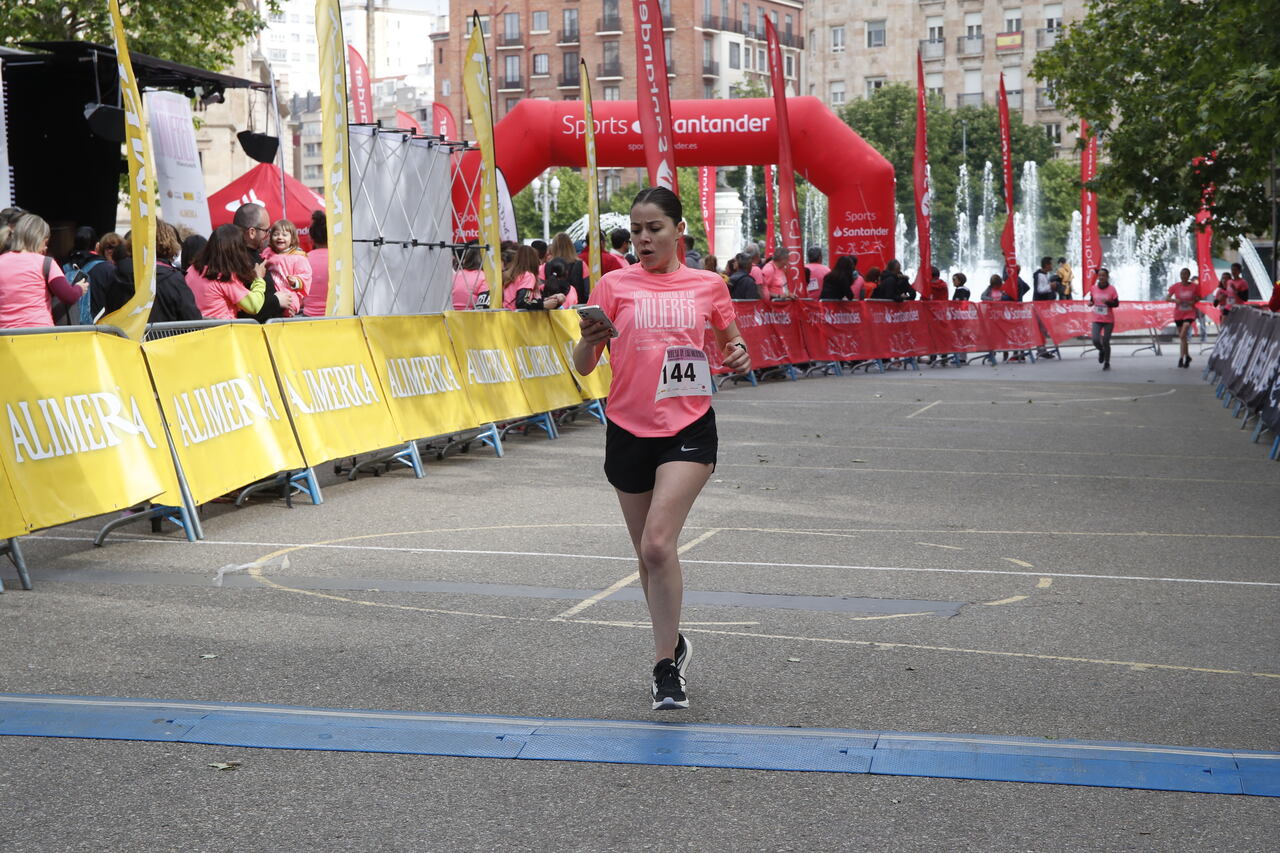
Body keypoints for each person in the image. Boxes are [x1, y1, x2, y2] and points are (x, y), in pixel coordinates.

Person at [572, 186, 750, 711]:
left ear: (679, 232)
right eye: (636, 230)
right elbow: (583, 364)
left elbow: (732, 342)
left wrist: (738, 354)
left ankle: (663, 666)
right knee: (648, 558)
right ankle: (674, 645)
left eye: (654, 229)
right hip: (627, 428)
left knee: (656, 544)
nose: (643, 239)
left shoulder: (708, 284)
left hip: (688, 428)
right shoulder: (612, 284)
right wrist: (587, 337)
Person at [0, 212, 87, 328]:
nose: (46, 248)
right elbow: (68, 296)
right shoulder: (45, 262)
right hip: (40, 333)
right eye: (45, 242)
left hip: (6, 336)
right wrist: (79, 288)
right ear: (38, 239)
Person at [110, 220, 201, 324]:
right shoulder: (173, 279)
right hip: (165, 338)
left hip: (124, 338)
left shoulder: (116, 274)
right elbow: (192, 319)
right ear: (170, 243)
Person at [185, 224, 270, 319]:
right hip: (221, 330)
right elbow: (254, 306)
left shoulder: (192, 269)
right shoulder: (224, 277)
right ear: (236, 250)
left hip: (196, 330)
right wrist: (258, 279)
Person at [233, 202, 295, 320]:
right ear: (252, 232)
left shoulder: (253, 253)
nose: (269, 235)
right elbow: (248, 309)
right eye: (266, 230)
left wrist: (283, 306)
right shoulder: (237, 259)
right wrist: (276, 301)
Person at [262, 219, 311, 312]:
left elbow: (306, 275)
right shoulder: (267, 253)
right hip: (271, 291)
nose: (280, 237)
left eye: (284, 235)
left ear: (292, 238)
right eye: (276, 234)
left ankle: (289, 311)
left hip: (288, 290)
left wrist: (296, 281)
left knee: (290, 302)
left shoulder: (298, 257)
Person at [504, 244, 565, 310]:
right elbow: (522, 302)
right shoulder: (528, 275)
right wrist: (543, 304)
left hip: (507, 315)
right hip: (519, 318)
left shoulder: (510, 275)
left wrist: (547, 300)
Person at [1087, 267, 1120, 370]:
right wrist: (1091, 303)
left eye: (1103, 275)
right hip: (1097, 319)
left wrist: (1108, 302)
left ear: (1107, 277)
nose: (1101, 277)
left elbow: (1116, 304)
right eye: (1100, 275)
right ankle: (1101, 350)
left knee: (1106, 341)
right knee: (1095, 340)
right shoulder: (1093, 288)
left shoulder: (1112, 289)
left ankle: (1107, 363)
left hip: (1108, 320)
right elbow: (1092, 299)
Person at [1166, 267, 1199, 368]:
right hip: (1179, 314)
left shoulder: (1194, 287)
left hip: (1189, 313)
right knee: (1183, 338)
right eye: (1182, 274)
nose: (1183, 276)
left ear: (1189, 276)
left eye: (1185, 274)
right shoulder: (1176, 286)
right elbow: (1167, 298)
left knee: (1182, 334)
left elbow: (1198, 298)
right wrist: (1174, 301)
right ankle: (1184, 357)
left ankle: (1184, 357)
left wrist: (1193, 301)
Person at [303, 210, 329, 316]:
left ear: (311, 238)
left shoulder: (303, 260)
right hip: (337, 318)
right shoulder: (340, 261)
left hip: (308, 318)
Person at [451, 244, 489, 309]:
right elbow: (483, 305)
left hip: (451, 314)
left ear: (466, 258)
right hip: (470, 316)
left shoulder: (456, 274)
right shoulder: (484, 277)